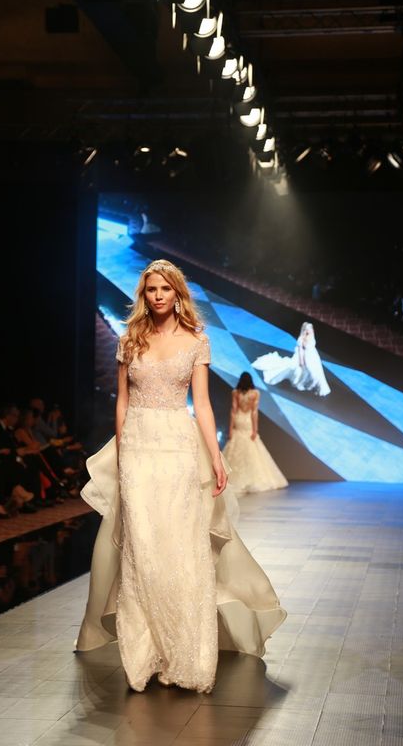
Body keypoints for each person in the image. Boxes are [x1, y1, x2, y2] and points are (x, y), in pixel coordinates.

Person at [76, 259, 286, 694]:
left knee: (180, 547)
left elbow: (202, 405)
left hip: (178, 448)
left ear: (177, 294)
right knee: (141, 547)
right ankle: (144, 655)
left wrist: (216, 457)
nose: (157, 296)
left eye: (165, 289)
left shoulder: (197, 341)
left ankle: (187, 655)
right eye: (151, 289)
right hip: (138, 449)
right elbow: (122, 401)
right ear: (144, 294)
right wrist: (123, 453)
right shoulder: (129, 339)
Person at [223, 373, 288, 495]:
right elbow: (254, 412)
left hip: (239, 420)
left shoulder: (235, 392)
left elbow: (233, 410)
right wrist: (255, 429)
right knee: (252, 449)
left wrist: (230, 429)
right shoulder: (255, 393)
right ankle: (253, 478)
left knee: (237, 447)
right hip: (248, 420)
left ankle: (235, 479)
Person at [252, 321, 331, 396]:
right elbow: (301, 351)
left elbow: (312, 346)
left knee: (317, 373)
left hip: (313, 357)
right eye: (308, 329)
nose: (310, 330)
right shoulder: (302, 338)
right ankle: (308, 385)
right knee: (308, 372)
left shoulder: (311, 335)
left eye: (311, 329)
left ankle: (318, 388)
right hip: (305, 358)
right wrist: (302, 361)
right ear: (305, 330)